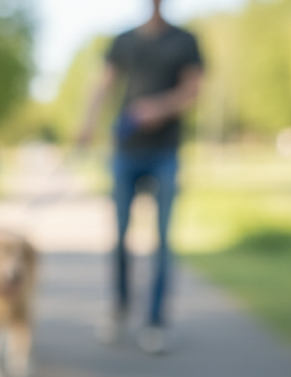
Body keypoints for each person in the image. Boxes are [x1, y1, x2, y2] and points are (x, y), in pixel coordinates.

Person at [78, 0, 203, 354]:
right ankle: (119, 308)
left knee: (163, 240)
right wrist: (87, 123)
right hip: (125, 151)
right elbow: (103, 84)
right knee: (119, 236)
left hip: (165, 151)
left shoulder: (186, 40)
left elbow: (193, 90)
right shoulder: (123, 41)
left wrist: (159, 108)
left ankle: (156, 322)